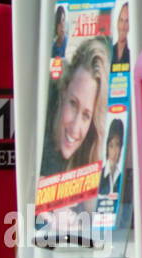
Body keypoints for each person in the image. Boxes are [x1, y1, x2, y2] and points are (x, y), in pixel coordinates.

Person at [39, 37, 110, 179]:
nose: (75, 128)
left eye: (86, 115)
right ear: (64, 90)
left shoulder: (92, 147)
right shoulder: (41, 112)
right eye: (73, 104)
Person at [98, 119, 124, 196]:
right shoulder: (99, 177)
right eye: (111, 146)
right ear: (107, 147)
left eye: (117, 145)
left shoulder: (123, 177)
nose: (114, 151)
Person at [111, 2, 130, 67]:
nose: (122, 26)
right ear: (117, 22)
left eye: (127, 21)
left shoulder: (131, 53)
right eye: (121, 20)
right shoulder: (109, 52)